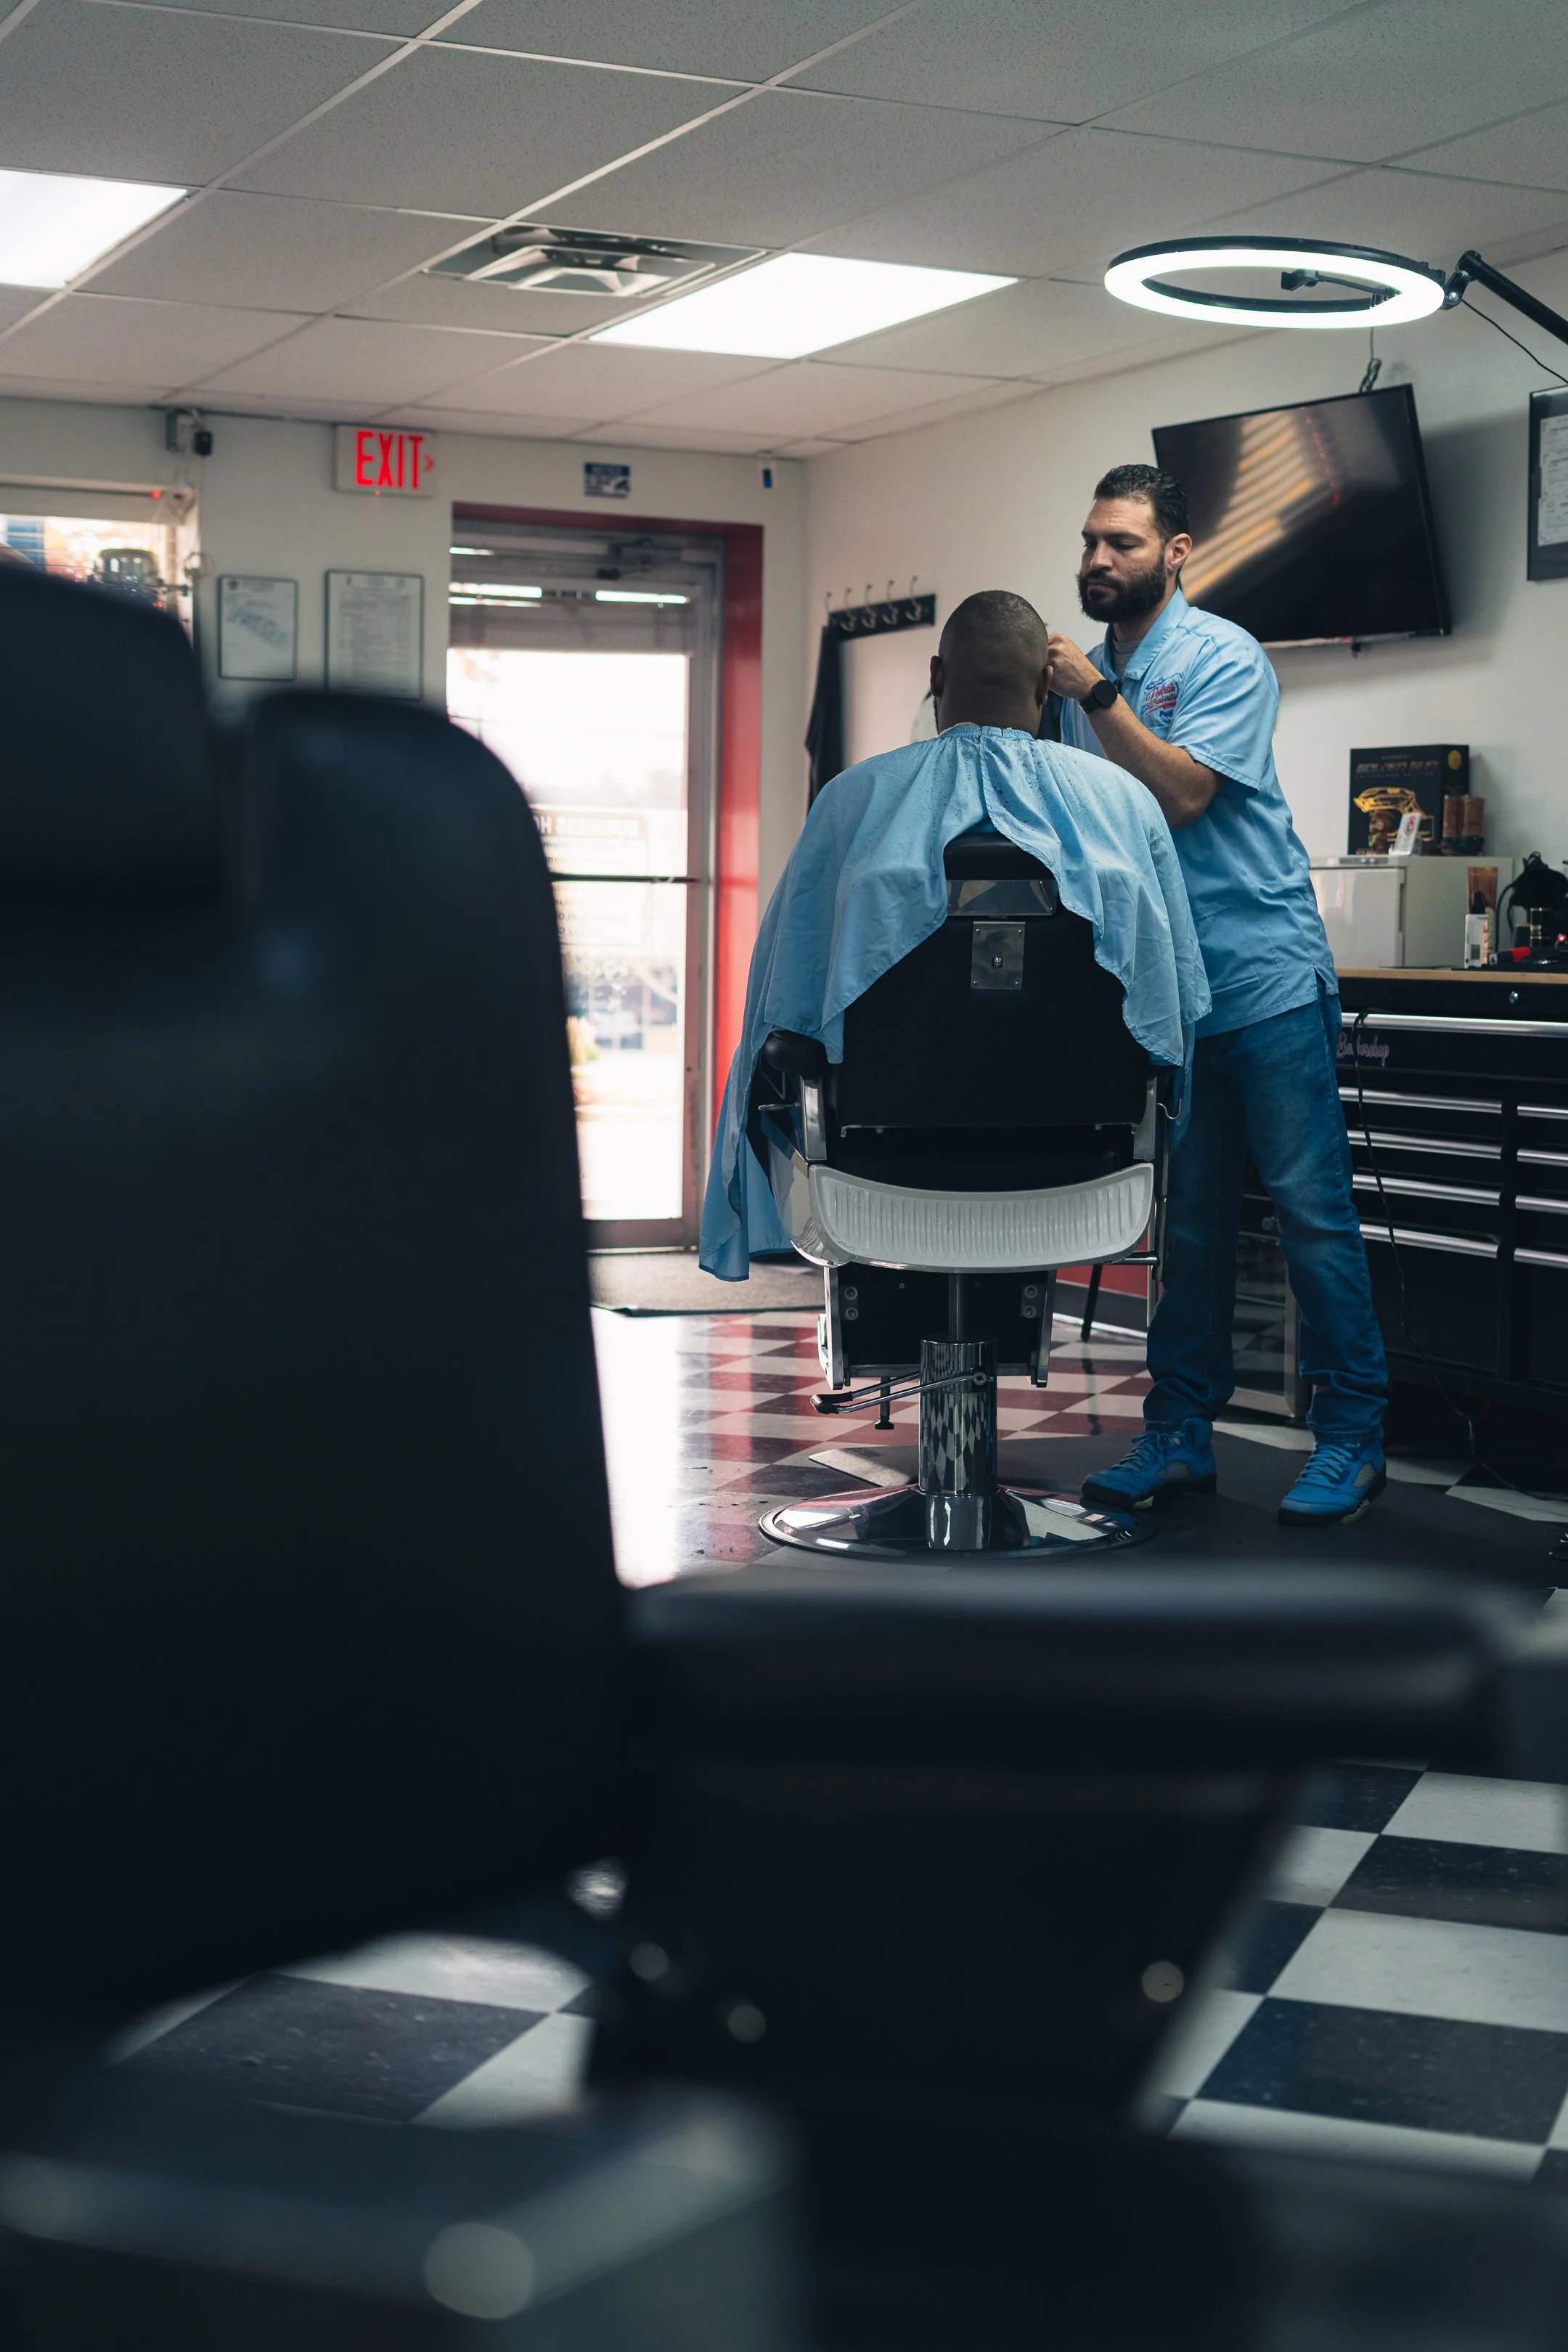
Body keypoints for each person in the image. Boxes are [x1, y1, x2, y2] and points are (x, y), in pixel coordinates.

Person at [1049, 462, 1387, 1528]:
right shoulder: (1080, 685)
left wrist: (1096, 699)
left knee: (1311, 1218)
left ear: (1177, 553)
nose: (1100, 561)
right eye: (1093, 542)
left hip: (1265, 977)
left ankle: (1353, 1439)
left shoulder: (1222, 657)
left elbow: (1185, 796)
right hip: (1171, 998)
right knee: (1189, 1230)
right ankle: (1179, 1434)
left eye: (1124, 544)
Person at [699, 589, 1209, 1280]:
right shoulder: (1124, 805)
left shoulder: (854, 802)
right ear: (1044, 688)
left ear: (936, 679)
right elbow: (1176, 1006)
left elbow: (780, 1009)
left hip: (876, 1163)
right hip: (1085, 1159)